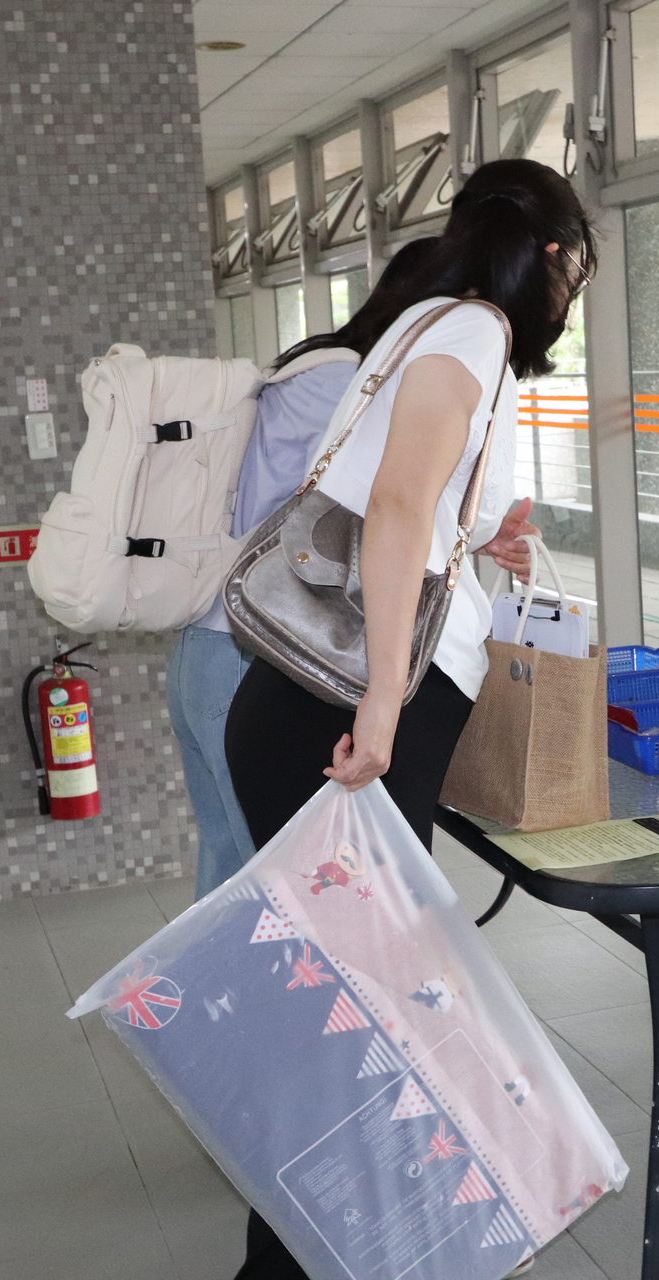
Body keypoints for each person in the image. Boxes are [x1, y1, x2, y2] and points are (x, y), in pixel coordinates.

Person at [221, 157, 594, 1280]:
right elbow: (391, 504)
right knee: (360, 1016)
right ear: (554, 256)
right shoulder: (475, 329)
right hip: (347, 715)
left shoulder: (420, 324)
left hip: (300, 703)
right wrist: (381, 702)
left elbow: (404, 507)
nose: (571, 292)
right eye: (578, 269)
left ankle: (312, 1258)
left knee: (347, 1010)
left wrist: (472, 541)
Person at [166, 237, 462, 901]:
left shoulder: (314, 369)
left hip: (206, 646)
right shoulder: (348, 388)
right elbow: (380, 516)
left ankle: (217, 975)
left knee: (230, 871)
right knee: (284, 889)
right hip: (256, 652)